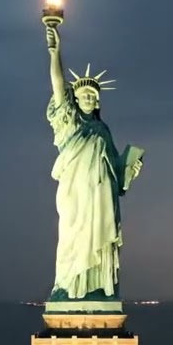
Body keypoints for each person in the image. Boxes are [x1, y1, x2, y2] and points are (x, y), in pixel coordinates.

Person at [44, 24, 143, 301]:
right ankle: (68, 287)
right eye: (83, 95)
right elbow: (57, 86)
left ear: (97, 101)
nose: (88, 98)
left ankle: (97, 288)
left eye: (92, 96)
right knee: (72, 239)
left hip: (101, 196)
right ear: (75, 100)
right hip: (76, 194)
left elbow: (115, 171)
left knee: (99, 237)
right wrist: (55, 52)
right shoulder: (70, 124)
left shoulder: (103, 130)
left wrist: (129, 170)